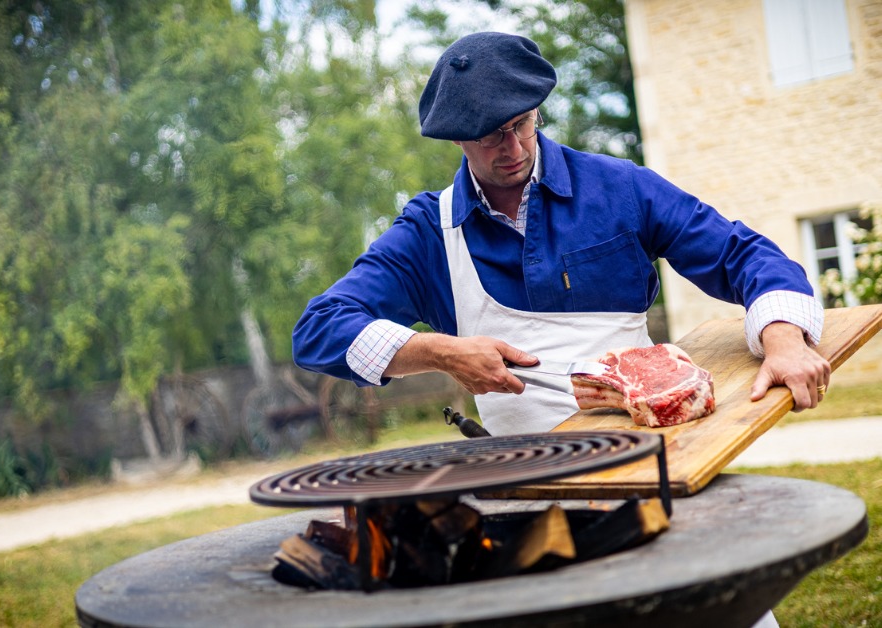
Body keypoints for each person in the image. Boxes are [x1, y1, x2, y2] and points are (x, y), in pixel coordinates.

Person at [292, 31, 831, 437]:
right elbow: (318, 331)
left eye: (524, 123)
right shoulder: (429, 234)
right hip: (523, 477)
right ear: (457, 141)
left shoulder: (619, 188)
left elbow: (740, 254)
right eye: (490, 138)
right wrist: (439, 352)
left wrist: (782, 338)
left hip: (656, 446)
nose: (516, 148)